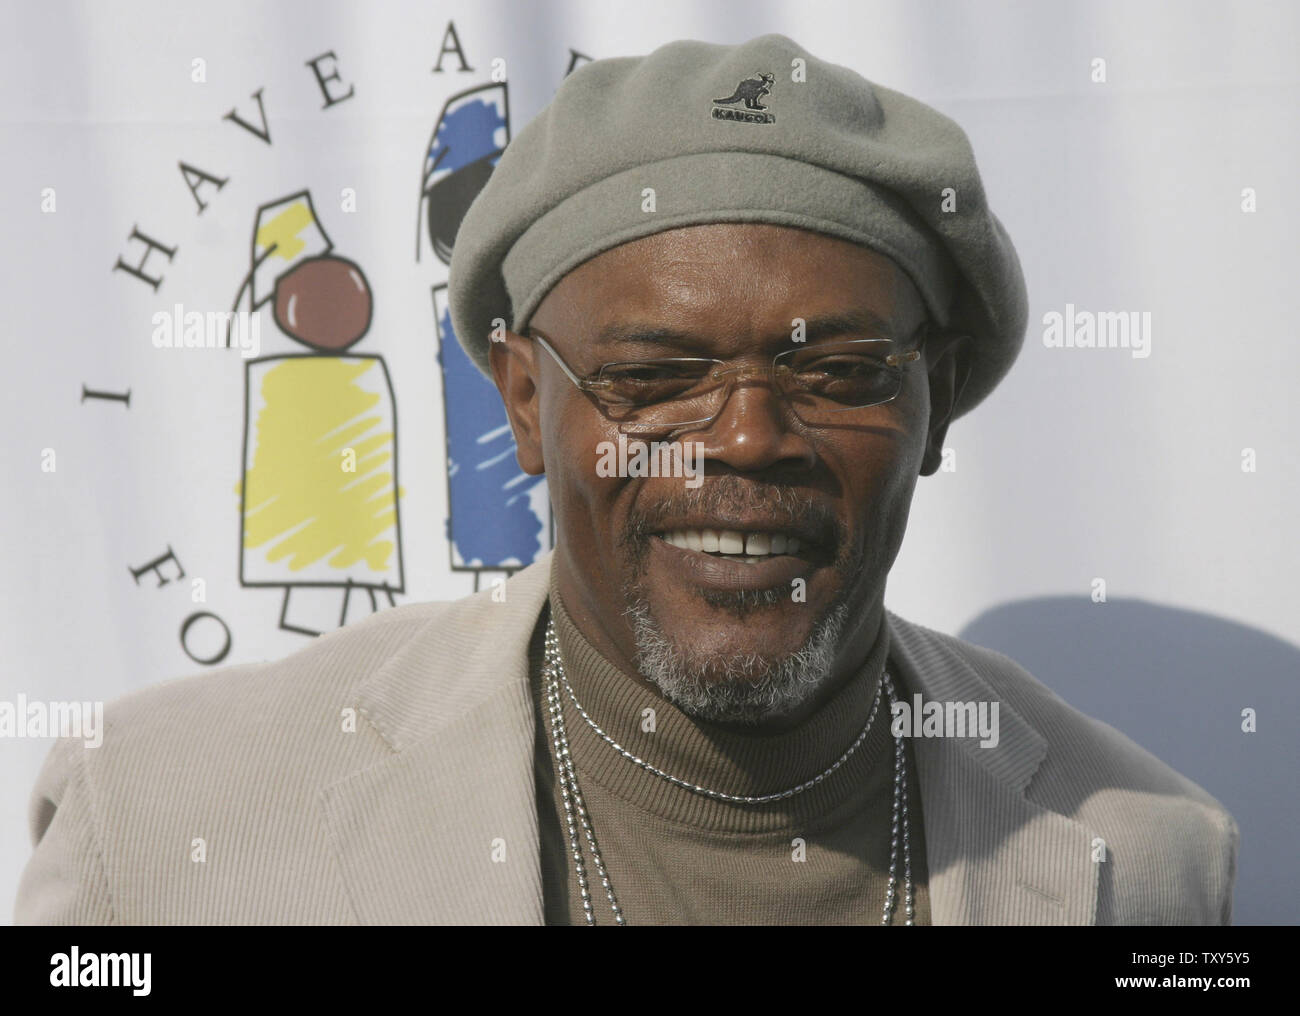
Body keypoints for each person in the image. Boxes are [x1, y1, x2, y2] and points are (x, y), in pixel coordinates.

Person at [15, 33, 1237, 926]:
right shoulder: (161, 827)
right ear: (522, 403)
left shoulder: (1143, 853)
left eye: (842, 372)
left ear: (931, 403)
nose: (749, 438)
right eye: (655, 375)